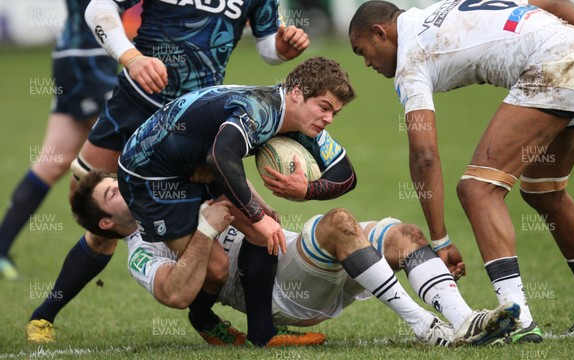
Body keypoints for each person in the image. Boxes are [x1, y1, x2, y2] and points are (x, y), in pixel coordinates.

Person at [26, 0, 310, 344]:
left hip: (192, 121)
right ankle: (43, 316)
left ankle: (227, 322)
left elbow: (267, 45)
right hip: (136, 105)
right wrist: (131, 58)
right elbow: (97, 8)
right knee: (98, 218)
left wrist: (280, 48)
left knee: (260, 219)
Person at [348, 0, 574, 344]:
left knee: (477, 189)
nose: (366, 63)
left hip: (554, 64)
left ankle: (519, 319)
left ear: (381, 33)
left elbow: (423, 155)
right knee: (545, 190)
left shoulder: (411, 57)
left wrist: (440, 241)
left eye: (363, 51)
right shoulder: (441, 10)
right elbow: (550, 2)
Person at [72, 169, 521, 347]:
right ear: (106, 223)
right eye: (112, 191)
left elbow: (261, 211)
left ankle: (464, 320)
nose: (123, 186)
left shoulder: (170, 191)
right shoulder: (140, 251)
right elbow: (181, 290)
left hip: (296, 256)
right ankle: (424, 327)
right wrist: (208, 228)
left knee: (404, 234)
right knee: (338, 221)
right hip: (281, 292)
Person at [116, 56, 358, 345]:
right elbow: (221, 155)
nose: (329, 119)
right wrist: (256, 213)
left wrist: (308, 190)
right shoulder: (260, 110)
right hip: (149, 176)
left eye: (335, 113)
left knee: (265, 234)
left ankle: (262, 334)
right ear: (297, 92)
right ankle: (203, 318)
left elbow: (347, 174)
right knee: (217, 268)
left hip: (200, 162)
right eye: (324, 107)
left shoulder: (298, 118)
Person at [0, 0, 118, 281]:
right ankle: (165, 253)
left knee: (52, 161)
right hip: (89, 59)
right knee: (129, 152)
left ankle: (1, 248)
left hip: (76, 54)